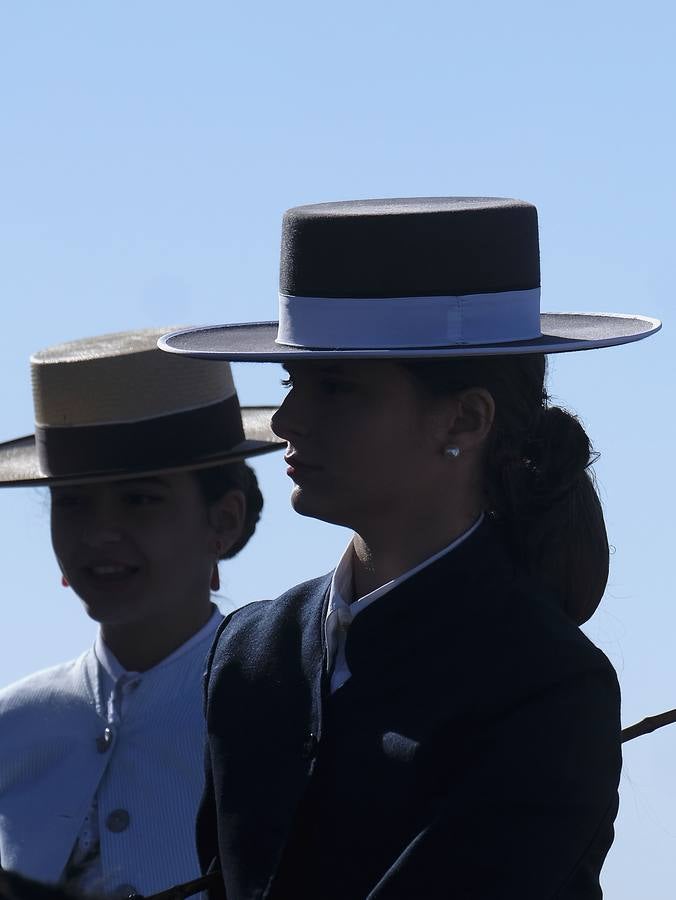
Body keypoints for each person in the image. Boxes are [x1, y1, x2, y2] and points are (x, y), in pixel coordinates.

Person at [160, 197, 661, 899]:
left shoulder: (545, 684)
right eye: (290, 381)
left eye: (336, 388)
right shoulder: (253, 651)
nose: (286, 419)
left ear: (464, 417)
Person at [0, 328, 281, 898]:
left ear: (222, 521)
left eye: (140, 499)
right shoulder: (14, 723)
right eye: (72, 502)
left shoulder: (283, 709)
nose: (100, 533)